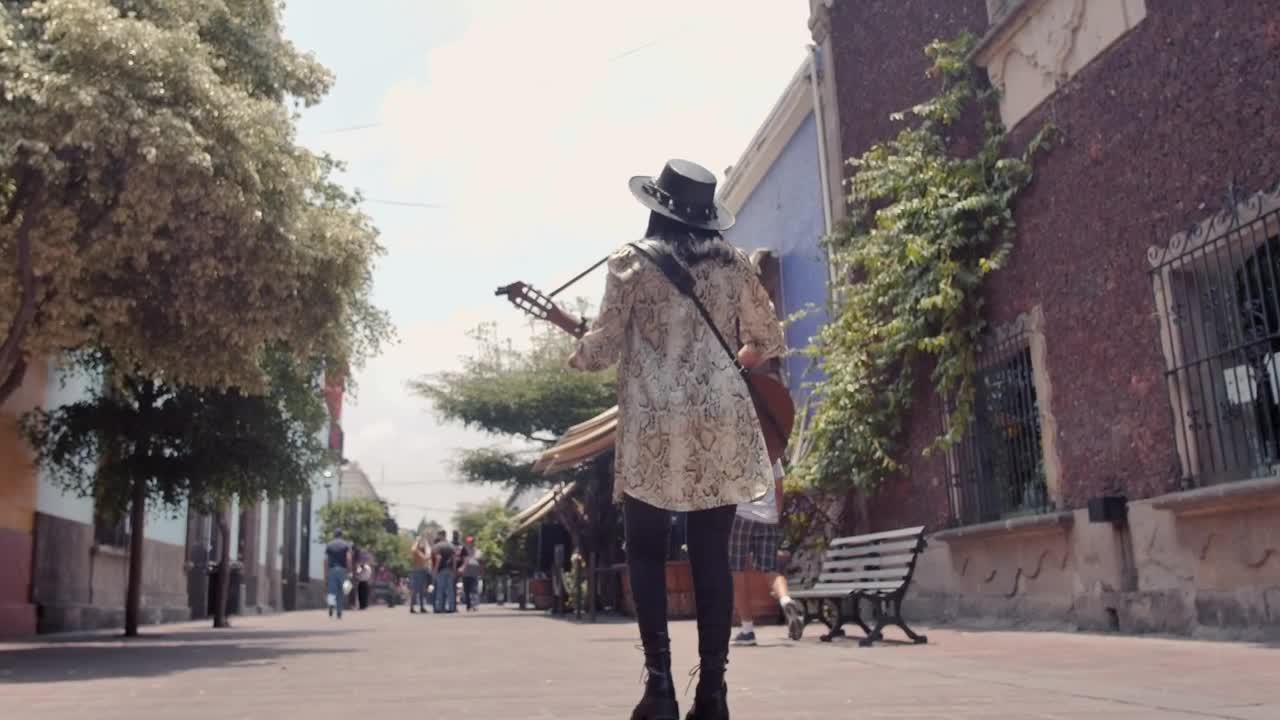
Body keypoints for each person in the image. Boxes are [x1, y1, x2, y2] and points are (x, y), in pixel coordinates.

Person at [568, 159, 784, 720]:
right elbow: (766, 340)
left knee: (645, 550)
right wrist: (728, 365)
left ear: (656, 208)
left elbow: (602, 349)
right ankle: (713, 694)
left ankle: (660, 688)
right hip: (719, 421)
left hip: (654, 423)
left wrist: (576, 351)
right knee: (711, 553)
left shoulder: (630, 262)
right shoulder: (734, 264)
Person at [729, 460, 804, 646]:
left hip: (741, 515)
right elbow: (779, 491)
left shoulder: (737, 450)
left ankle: (747, 630)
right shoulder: (773, 455)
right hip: (768, 517)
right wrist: (774, 515)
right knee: (770, 568)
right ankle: (785, 600)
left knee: (736, 571)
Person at [324, 529, 353, 620]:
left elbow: (326, 560)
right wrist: (349, 570)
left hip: (332, 570)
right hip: (342, 570)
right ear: (341, 535)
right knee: (341, 591)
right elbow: (348, 558)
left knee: (331, 591)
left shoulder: (329, 545)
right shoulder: (346, 545)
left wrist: (325, 573)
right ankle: (339, 612)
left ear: (334, 535)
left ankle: (331, 604)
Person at [431, 530, 457, 613]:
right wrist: (454, 570)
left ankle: (439, 607)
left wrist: (435, 570)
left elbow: (438, 558)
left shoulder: (437, 546)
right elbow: (454, 559)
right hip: (450, 569)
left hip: (441, 570)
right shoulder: (451, 546)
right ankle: (451, 607)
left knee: (440, 589)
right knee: (450, 590)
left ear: (440, 535)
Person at [459, 535, 483, 612]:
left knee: (474, 590)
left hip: (474, 573)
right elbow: (461, 561)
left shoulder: (477, 551)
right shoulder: (463, 551)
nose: (470, 543)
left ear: (473, 542)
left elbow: (481, 562)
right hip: (466, 573)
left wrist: (481, 571)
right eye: (468, 542)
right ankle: (468, 605)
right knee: (466, 590)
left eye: (471, 542)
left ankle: (475, 605)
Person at [410, 534, 432, 614]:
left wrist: (424, 542)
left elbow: (428, 554)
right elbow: (426, 556)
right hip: (418, 571)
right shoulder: (417, 552)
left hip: (421, 571)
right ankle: (413, 607)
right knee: (416, 590)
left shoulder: (418, 552)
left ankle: (420, 606)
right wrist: (418, 541)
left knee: (421, 590)